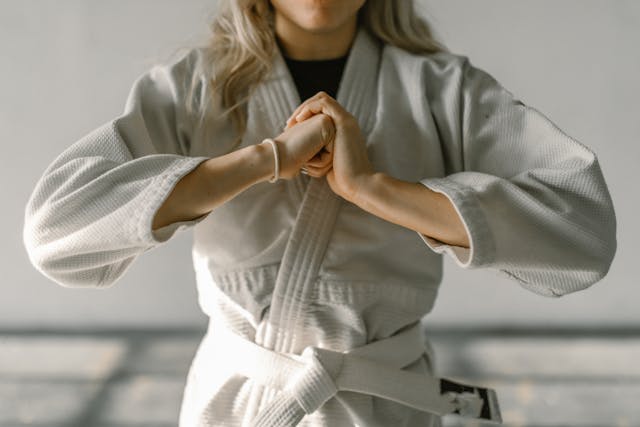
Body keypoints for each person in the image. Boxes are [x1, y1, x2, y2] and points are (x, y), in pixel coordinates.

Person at [23, 0, 617, 426]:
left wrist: (374, 189)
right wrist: (263, 159)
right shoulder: (194, 88)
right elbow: (56, 228)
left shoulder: (442, 90)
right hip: (240, 403)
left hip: (385, 405)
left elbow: (581, 231)